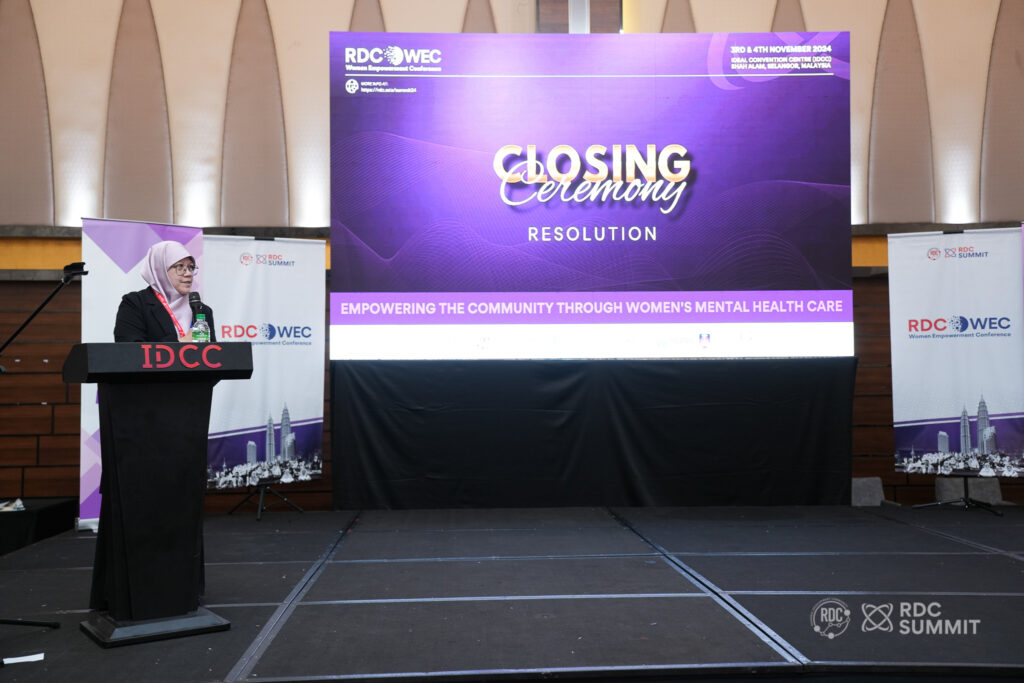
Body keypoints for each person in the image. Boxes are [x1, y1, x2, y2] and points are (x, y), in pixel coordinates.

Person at [114, 240, 216, 342]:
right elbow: (129, 349)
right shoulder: (135, 304)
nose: (188, 273)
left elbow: (214, 350)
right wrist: (183, 342)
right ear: (160, 269)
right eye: (180, 266)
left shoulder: (203, 310)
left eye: (191, 267)